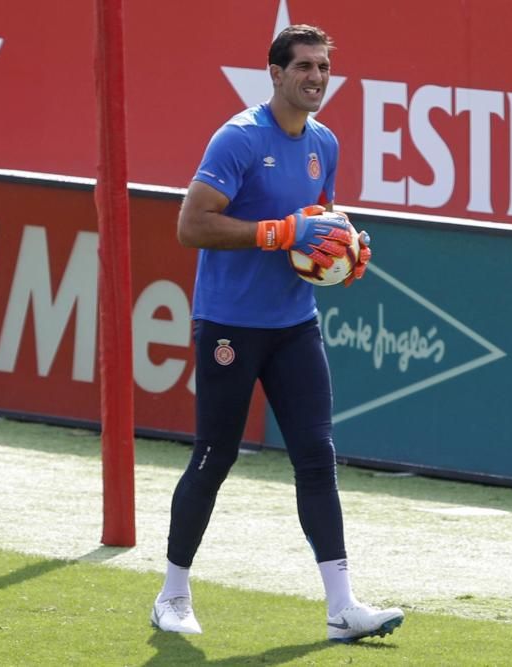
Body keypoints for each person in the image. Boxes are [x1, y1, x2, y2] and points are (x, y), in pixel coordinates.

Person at [150, 24, 404, 643]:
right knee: (216, 455)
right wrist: (279, 232)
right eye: (304, 67)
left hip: (295, 325)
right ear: (275, 72)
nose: (316, 78)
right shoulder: (237, 139)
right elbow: (192, 225)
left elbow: (318, 222)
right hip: (229, 324)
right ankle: (172, 594)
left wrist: (345, 248)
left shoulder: (325, 143)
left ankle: (342, 608)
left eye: (323, 67)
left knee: (317, 457)